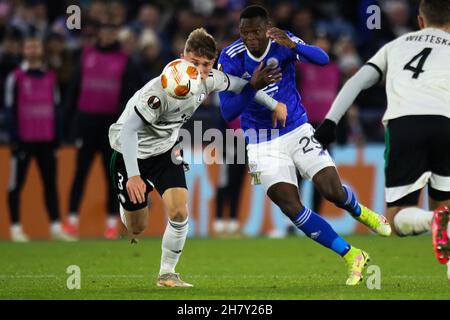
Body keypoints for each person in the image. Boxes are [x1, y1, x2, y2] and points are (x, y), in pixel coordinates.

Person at [218, 5, 391, 286]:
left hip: (297, 128)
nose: (249, 37)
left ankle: (361, 212)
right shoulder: (231, 57)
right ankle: (351, 255)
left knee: (331, 191)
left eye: (255, 32)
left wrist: (295, 45)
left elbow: (322, 59)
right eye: (244, 32)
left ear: (266, 28)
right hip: (262, 142)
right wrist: (252, 85)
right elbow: (227, 112)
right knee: (290, 205)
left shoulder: (282, 41)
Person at [108, 27, 287, 287]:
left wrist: (275, 104)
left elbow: (242, 86)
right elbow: (129, 132)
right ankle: (131, 200)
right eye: (194, 63)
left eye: (206, 64)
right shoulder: (158, 91)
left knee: (180, 211)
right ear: (182, 56)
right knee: (137, 227)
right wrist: (134, 176)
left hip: (166, 151)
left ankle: (167, 274)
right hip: (128, 151)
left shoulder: (210, 79)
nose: (200, 70)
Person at [314, 0, 450, 265]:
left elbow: (356, 81)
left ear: (420, 21)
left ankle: (431, 220)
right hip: (446, 121)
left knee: (398, 217)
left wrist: (330, 123)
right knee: (445, 206)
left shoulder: (395, 46)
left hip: (404, 124)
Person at [64, 22, 140, 239]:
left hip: (111, 128)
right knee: (81, 173)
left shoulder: (124, 60)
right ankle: (71, 222)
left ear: (115, 34)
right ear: (98, 34)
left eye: (111, 32)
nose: (107, 36)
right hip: (86, 124)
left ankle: (110, 224)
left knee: (111, 177)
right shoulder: (86, 56)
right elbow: (73, 90)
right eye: (104, 32)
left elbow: (131, 95)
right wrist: (69, 126)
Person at [4, 36, 75, 242]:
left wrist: (57, 138)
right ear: (23, 50)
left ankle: (55, 227)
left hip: (46, 140)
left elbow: (56, 108)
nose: (33, 50)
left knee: (50, 185)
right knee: (16, 185)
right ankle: (16, 229)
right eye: (29, 46)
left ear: (41, 50)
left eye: (36, 46)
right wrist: (14, 139)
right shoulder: (15, 77)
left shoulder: (50, 77)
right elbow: (9, 110)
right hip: (24, 140)